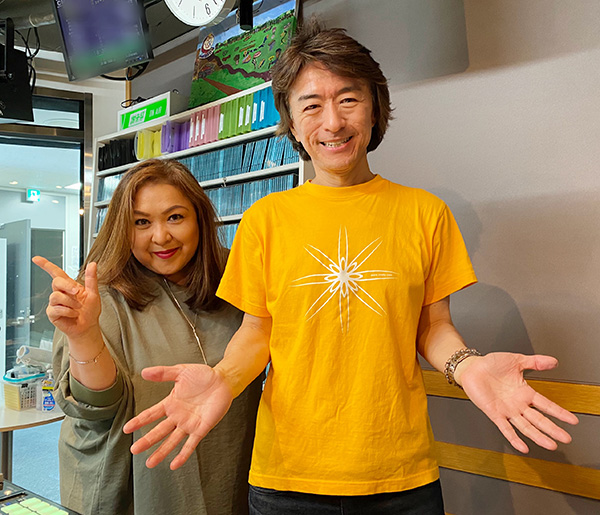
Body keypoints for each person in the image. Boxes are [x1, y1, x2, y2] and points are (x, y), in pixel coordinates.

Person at [123, 20, 579, 514]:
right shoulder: (265, 219)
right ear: (291, 121)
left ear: (375, 108)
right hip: (287, 479)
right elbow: (258, 332)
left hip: (401, 477)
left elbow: (432, 326)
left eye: (348, 99)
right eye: (311, 105)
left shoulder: (425, 213)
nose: (333, 123)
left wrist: (468, 367)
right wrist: (224, 379)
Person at [33, 159, 262, 515]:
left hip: (228, 474)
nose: (161, 236)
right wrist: (84, 336)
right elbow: (95, 405)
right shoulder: (101, 297)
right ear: (122, 229)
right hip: (132, 482)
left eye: (175, 217)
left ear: (200, 219)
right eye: (141, 222)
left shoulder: (237, 283)